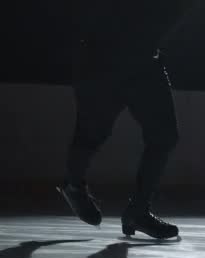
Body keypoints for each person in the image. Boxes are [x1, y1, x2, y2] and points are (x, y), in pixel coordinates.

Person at [57, 0, 191, 239]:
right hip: (102, 61)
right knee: (92, 134)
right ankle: (73, 184)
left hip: (144, 63)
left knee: (165, 136)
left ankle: (138, 211)